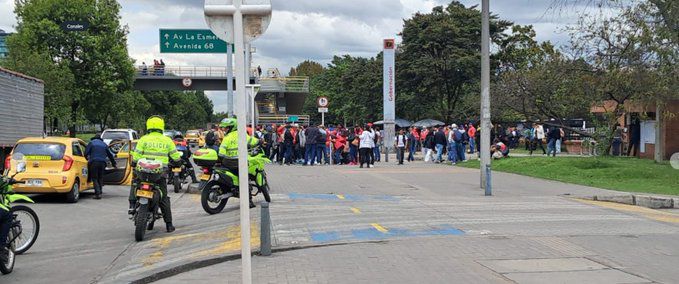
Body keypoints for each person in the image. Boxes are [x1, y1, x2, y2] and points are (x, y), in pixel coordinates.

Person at [130, 116, 182, 233]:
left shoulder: (143, 139)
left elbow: (136, 156)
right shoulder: (167, 140)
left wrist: (134, 163)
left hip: (142, 172)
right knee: (163, 197)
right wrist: (177, 162)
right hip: (159, 175)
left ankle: (132, 206)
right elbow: (176, 157)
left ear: (148, 126)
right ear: (161, 127)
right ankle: (169, 225)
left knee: (135, 184)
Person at [217, 118, 260, 207]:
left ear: (232, 127)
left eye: (226, 128)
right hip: (239, 163)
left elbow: (222, 151)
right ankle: (249, 202)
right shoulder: (242, 135)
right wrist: (260, 141)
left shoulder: (227, 137)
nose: (224, 130)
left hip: (227, 163)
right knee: (245, 181)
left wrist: (220, 160)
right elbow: (252, 141)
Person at [85, 133, 117, 200]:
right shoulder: (104, 144)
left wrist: (86, 159)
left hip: (94, 162)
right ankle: (100, 191)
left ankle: (98, 194)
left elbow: (86, 153)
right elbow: (110, 155)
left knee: (94, 178)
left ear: (94, 138)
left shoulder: (91, 143)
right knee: (100, 177)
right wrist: (114, 164)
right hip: (103, 163)